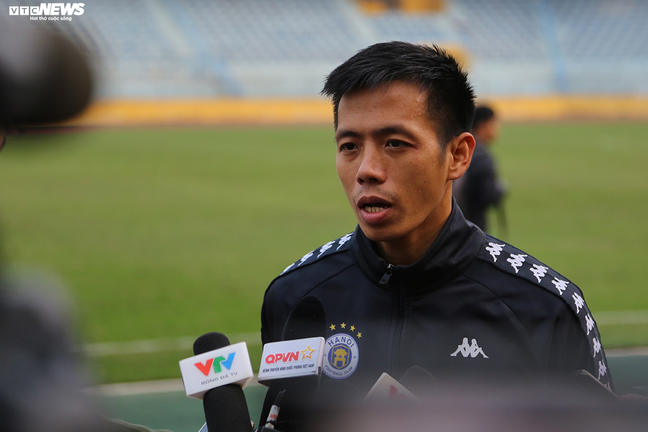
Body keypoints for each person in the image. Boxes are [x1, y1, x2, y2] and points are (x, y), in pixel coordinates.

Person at [260, 41, 612, 428]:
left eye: (395, 143)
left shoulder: (544, 310)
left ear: (458, 155)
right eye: (349, 146)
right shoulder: (295, 295)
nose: (366, 170)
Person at [453, 105, 506, 232]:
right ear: (483, 125)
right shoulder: (482, 158)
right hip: (472, 226)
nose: (498, 128)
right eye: (494, 123)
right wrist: (500, 189)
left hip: (452, 222)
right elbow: (488, 195)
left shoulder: (458, 149)